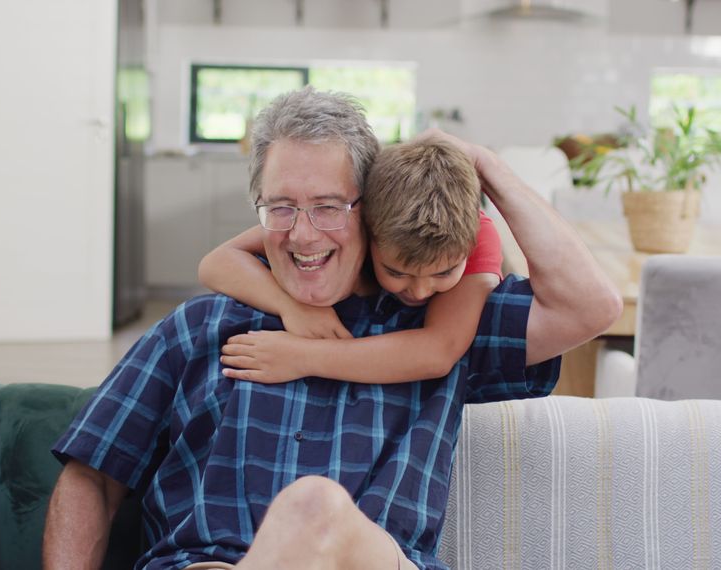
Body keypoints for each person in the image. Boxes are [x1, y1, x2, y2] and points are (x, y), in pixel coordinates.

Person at [43, 87, 622, 570]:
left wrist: (485, 168)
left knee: (316, 509)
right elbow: (91, 478)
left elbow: (590, 306)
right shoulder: (200, 325)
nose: (302, 234)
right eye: (281, 208)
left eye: (326, 206)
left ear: (368, 210)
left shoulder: (439, 313)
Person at [198, 137, 503, 385]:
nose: (420, 292)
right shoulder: (375, 214)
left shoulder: (470, 229)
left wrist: (302, 356)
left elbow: (437, 353)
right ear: (366, 223)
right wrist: (292, 306)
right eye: (396, 271)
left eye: (445, 272)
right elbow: (215, 263)